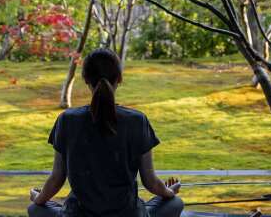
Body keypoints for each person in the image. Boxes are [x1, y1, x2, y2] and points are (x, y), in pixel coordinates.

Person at [28, 48, 184, 217]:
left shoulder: (67, 120)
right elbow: (151, 182)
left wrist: (38, 198)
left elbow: (57, 178)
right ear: (120, 78)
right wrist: (169, 192)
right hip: (128, 214)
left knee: (35, 209)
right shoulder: (137, 121)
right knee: (175, 203)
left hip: (77, 214)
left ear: (86, 79)